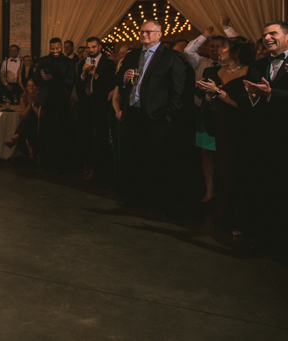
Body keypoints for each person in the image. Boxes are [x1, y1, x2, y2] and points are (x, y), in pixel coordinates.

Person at [115, 21, 187, 209]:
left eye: (148, 32)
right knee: (133, 158)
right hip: (133, 114)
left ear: (159, 34)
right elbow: (119, 81)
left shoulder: (172, 57)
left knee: (156, 160)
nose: (144, 34)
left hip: (156, 117)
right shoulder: (132, 56)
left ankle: (158, 200)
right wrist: (124, 78)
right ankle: (135, 197)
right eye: (142, 31)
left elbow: (179, 91)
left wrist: (169, 115)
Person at [196, 37, 253, 233]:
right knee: (224, 171)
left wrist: (217, 91)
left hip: (241, 127)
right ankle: (223, 215)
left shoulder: (250, 71)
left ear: (237, 51)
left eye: (224, 48)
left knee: (238, 172)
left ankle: (239, 219)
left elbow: (242, 104)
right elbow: (210, 100)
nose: (219, 51)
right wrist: (208, 93)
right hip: (221, 127)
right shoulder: (217, 70)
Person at [242, 21, 288, 251]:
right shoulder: (258, 66)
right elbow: (251, 103)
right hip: (262, 137)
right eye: (265, 35)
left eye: (273, 33)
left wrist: (272, 94)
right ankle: (265, 237)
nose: (267, 38)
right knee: (265, 186)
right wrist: (253, 96)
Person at [75, 37, 116, 181]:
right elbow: (78, 84)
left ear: (99, 47)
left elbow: (110, 85)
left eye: (93, 47)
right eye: (89, 47)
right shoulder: (83, 63)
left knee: (99, 136)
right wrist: (84, 73)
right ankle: (89, 165)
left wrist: (96, 74)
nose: (91, 50)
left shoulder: (108, 64)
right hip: (85, 104)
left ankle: (99, 169)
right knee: (86, 135)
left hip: (100, 105)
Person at [34, 38, 76, 172]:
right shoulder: (43, 60)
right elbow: (36, 79)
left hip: (61, 101)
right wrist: (43, 79)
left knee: (61, 132)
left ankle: (63, 163)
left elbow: (70, 82)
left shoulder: (68, 62)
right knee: (47, 132)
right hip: (46, 101)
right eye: (52, 48)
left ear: (61, 47)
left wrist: (54, 79)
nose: (55, 51)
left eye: (57, 48)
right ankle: (48, 162)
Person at [5, 79, 41, 160]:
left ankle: (15, 137)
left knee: (30, 119)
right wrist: (29, 104)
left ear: (37, 87)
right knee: (28, 121)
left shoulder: (40, 97)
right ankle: (31, 154)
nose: (30, 87)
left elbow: (39, 115)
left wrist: (33, 103)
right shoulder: (23, 97)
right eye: (28, 86)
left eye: (33, 85)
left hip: (38, 122)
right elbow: (23, 114)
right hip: (28, 123)